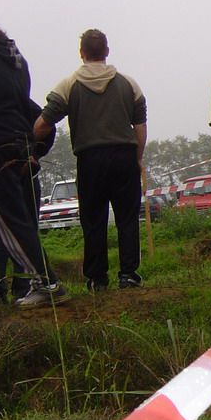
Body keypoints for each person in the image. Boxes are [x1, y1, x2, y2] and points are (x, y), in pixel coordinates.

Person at [34, 29, 147, 292]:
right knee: (127, 218)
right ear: (107, 51)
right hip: (124, 156)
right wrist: (137, 158)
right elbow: (140, 127)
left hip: (90, 158)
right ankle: (128, 274)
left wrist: (29, 145)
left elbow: (42, 124)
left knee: (93, 219)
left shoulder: (68, 85)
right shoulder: (129, 84)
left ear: (82, 53)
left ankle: (97, 279)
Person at [0, 0, 68, 309]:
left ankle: (45, 282)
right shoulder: (12, 56)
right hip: (17, 141)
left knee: (3, 218)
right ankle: (28, 282)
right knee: (8, 218)